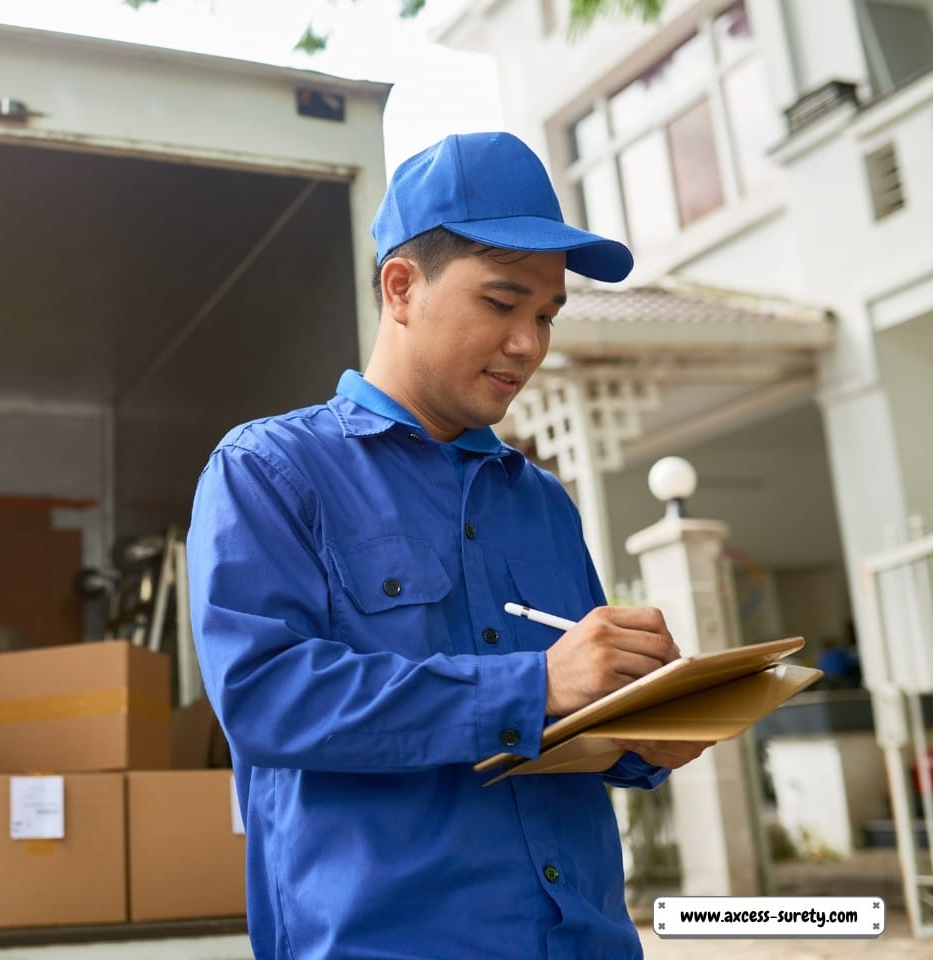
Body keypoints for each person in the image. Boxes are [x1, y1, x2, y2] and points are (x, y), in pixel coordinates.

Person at [186, 132, 712, 960]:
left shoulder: (539, 502)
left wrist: (646, 731)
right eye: (501, 304)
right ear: (402, 287)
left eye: (544, 315)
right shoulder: (269, 470)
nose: (529, 345)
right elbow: (266, 699)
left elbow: (571, 716)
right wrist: (534, 684)